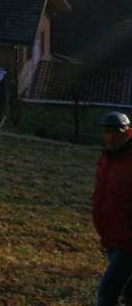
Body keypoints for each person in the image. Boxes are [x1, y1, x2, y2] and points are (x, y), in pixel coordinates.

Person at [94, 111, 132, 306]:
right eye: (107, 131)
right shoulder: (107, 158)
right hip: (110, 236)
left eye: (116, 132)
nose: (110, 137)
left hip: (127, 241)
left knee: (106, 294)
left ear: (128, 132)